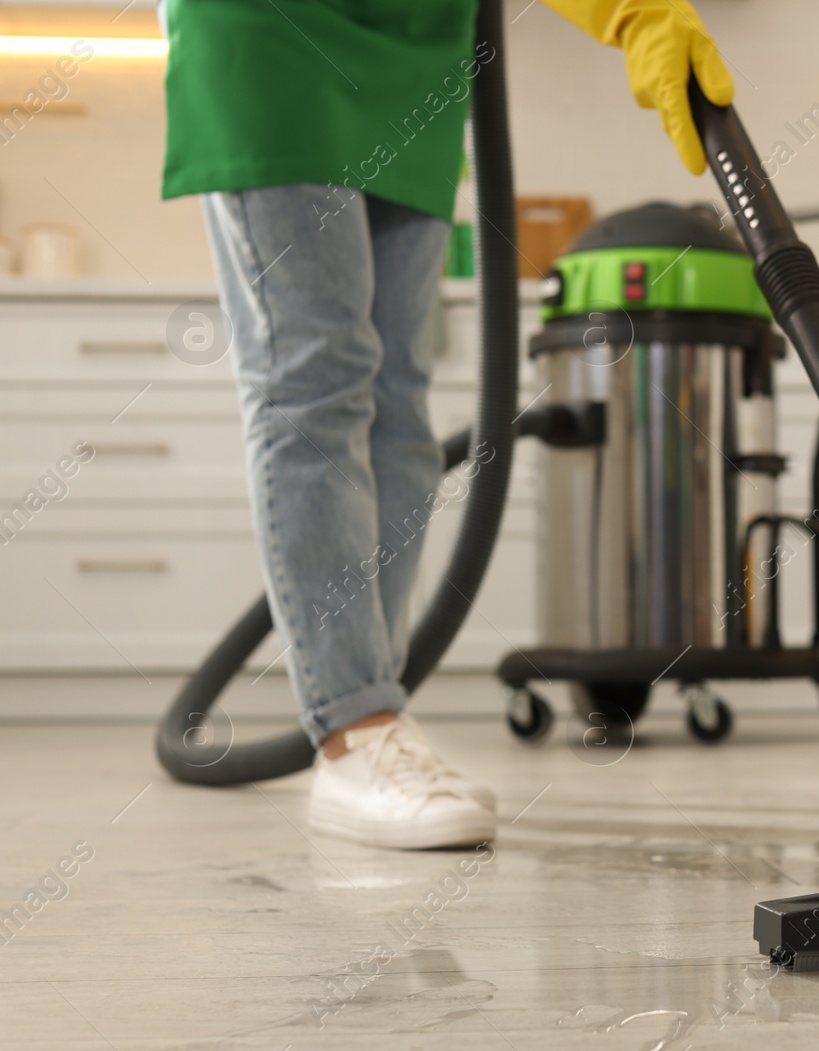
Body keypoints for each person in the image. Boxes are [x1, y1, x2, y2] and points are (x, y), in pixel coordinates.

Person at [160, 0, 734, 849]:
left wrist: (632, 12)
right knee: (315, 378)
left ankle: (373, 721)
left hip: (414, 53)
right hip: (272, 31)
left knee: (399, 394)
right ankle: (354, 727)